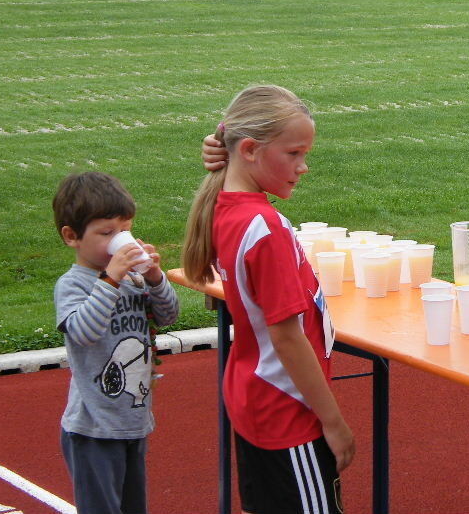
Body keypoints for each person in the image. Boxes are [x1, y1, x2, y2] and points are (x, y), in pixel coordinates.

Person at [182, 85, 354, 514]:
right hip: (287, 412)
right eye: (293, 154)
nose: (303, 166)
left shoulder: (229, 207)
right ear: (250, 150)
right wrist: (333, 423)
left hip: (260, 398)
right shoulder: (263, 226)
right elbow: (287, 337)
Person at [53, 171, 180, 514]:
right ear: (71, 236)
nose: (120, 240)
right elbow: (83, 331)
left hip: (132, 418)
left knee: (132, 506)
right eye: (107, 233)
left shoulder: (134, 277)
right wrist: (110, 280)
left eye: (125, 231)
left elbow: (168, 315)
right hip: (93, 425)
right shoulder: (73, 285)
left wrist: (154, 277)